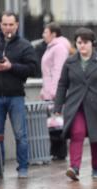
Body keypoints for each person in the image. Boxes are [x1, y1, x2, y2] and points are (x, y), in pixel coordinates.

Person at [0, 11, 37, 179]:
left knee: (20, 135)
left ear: (17, 25)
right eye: (4, 24)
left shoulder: (25, 46)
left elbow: (33, 69)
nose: (7, 28)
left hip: (16, 96)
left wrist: (11, 67)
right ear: (0, 25)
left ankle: (23, 169)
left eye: (11, 24)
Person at [54, 27, 97, 181]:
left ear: (92, 43)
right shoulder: (70, 61)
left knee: (96, 137)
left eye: (85, 42)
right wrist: (58, 106)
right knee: (77, 133)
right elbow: (62, 85)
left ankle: (96, 168)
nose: (82, 46)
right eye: (79, 42)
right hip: (75, 105)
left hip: (96, 105)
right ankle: (74, 168)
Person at [40, 22, 71, 161]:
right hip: (49, 91)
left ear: (53, 34)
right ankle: (56, 152)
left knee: (57, 123)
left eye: (45, 32)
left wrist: (55, 93)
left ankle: (60, 153)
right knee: (53, 123)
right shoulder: (51, 47)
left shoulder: (58, 48)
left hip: (54, 93)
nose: (43, 35)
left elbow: (58, 71)